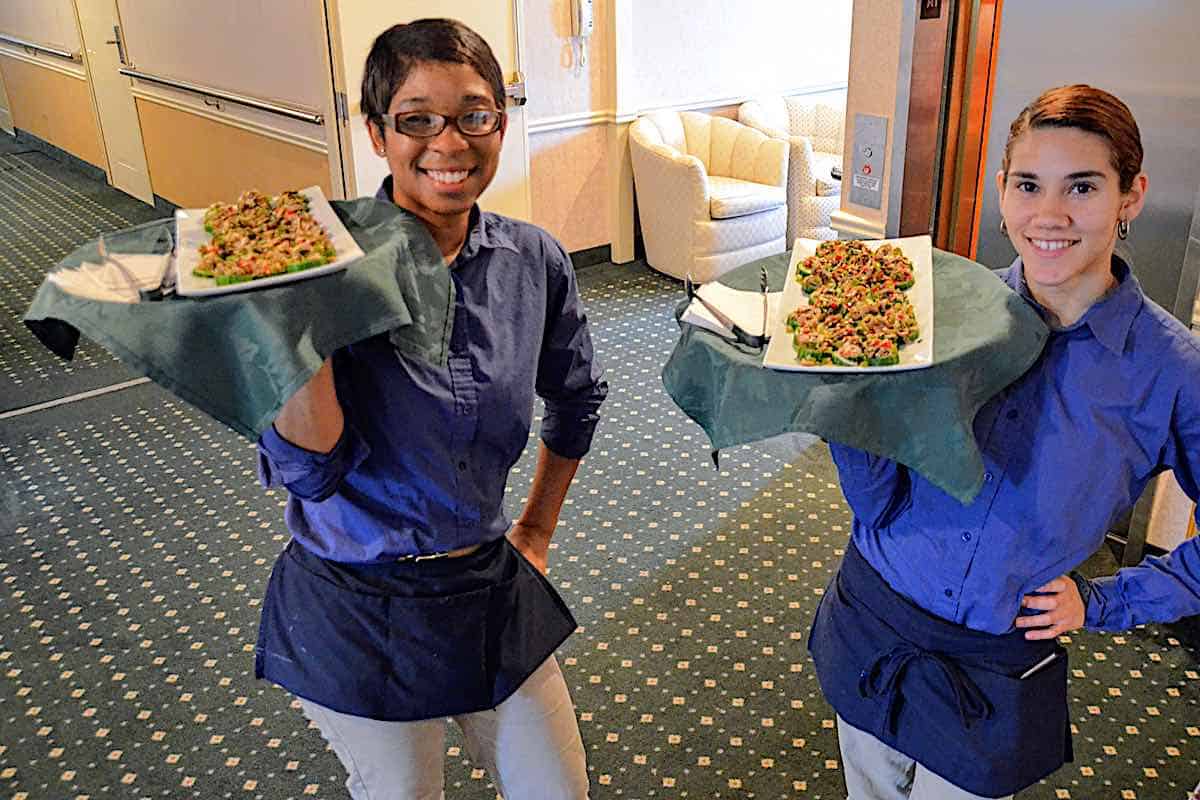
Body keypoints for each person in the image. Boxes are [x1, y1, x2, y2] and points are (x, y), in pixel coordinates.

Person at [809, 84, 1200, 799]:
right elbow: (877, 503)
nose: (1048, 215)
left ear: (1131, 195)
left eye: (1081, 186)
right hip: (869, 623)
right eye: (1028, 184)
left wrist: (1109, 603)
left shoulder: (1171, 371)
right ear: (1001, 191)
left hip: (991, 670)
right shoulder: (941, 315)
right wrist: (843, 407)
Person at [252, 18, 606, 799]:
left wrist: (537, 530)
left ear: (501, 124)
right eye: (416, 119)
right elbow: (309, 474)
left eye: (473, 114)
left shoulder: (533, 260)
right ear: (378, 133)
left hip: (484, 582)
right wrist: (302, 325)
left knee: (560, 789)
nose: (449, 141)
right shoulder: (327, 265)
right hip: (358, 599)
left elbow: (576, 399)